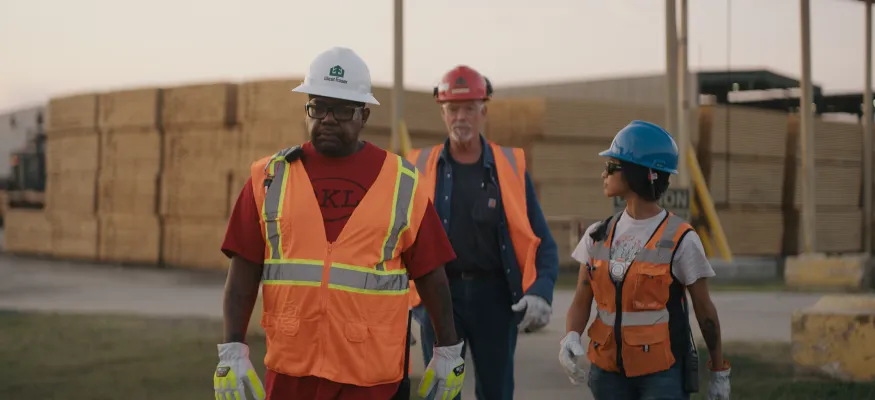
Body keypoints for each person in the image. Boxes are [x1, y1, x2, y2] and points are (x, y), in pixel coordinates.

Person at [213, 46, 468, 400]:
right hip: (292, 375)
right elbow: (243, 271)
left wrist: (447, 350)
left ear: (363, 115)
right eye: (318, 106)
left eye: (343, 109)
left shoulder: (402, 182)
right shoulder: (270, 177)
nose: (328, 118)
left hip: (371, 380)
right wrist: (232, 350)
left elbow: (431, 276)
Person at [405, 65, 559, 400]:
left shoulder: (510, 166)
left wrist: (541, 292)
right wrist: (397, 305)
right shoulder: (419, 166)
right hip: (439, 298)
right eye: (453, 109)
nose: (461, 117)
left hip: (496, 299)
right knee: (441, 392)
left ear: (484, 111)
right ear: (443, 113)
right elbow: (398, 242)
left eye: (469, 109)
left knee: (496, 392)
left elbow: (542, 241)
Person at [558, 120, 732, 400]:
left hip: (661, 376)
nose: (604, 173)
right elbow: (582, 297)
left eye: (612, 166)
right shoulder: (596, 235)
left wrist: (719, 371)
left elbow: (705, 313)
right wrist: (570, 336)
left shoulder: (682, 240)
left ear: (635, 173)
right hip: (606, 374)